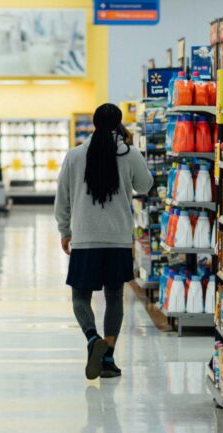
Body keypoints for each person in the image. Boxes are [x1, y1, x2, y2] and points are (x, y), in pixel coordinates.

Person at [54, 103, 153, 380]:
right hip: (118, 238)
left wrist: (65, 230)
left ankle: (91, 338)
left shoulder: (75, 156)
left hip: (85, 238)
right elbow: (145, 186)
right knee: (114, 297)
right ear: (119, 124)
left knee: (80, 297)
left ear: (94, 123)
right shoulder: (129, 153)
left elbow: (62, 198)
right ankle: (108, 358)